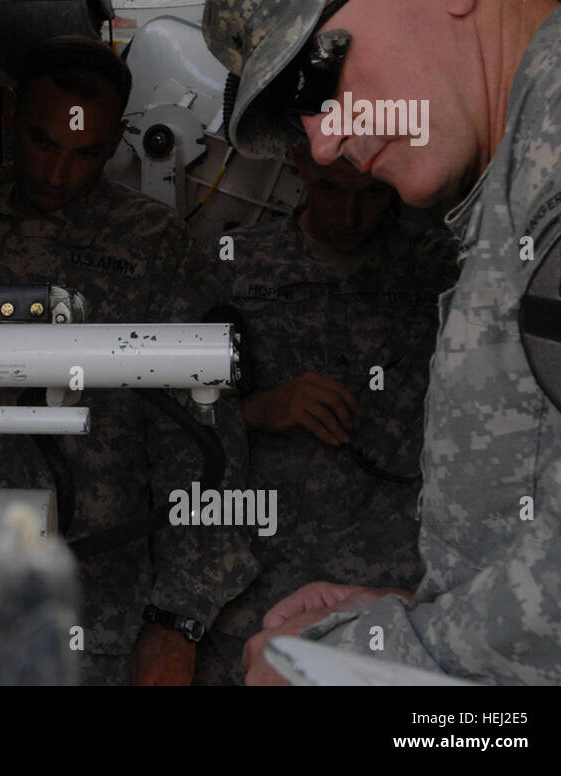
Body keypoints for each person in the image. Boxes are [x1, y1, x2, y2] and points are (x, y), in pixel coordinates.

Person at [204, 0, 561, 683]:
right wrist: (413, 615)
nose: (325, 140)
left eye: (320, 81)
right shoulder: (516, 179)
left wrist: (373, 658)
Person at [0, 35, 257, 685]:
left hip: (88, 612)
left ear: (118, 136)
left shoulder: (151, 244)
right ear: (9, 113)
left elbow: (200, 437)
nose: (60, 175)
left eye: (88, 153)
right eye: (43, 143)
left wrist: (178, 619)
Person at [184, 142, 456, 684]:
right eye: (330, 189)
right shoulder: (232, 263)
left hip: (393, 592)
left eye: (371, 195)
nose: (350, 216)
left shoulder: (440, 270)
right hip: (256, 590)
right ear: (301, 164)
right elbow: (162, 418)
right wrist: (258, 410)